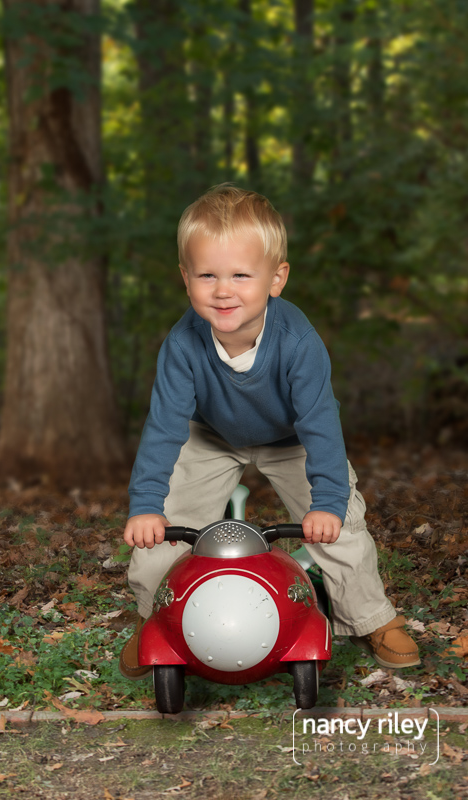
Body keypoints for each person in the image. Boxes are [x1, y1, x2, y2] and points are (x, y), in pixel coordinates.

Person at [120, 184, 419, 680]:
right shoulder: (181, 345)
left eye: (241, 274)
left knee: (340, 522)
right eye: (207, 275)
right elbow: (163, 427)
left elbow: (320, 425)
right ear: (185, 278)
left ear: (276, 278)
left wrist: (326, 501)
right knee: (163, 530)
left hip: (291, 437)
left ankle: (372, 618)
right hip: (210, 433)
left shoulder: (298, 342)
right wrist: (147, 505)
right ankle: (155, 620)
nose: (223, 289)